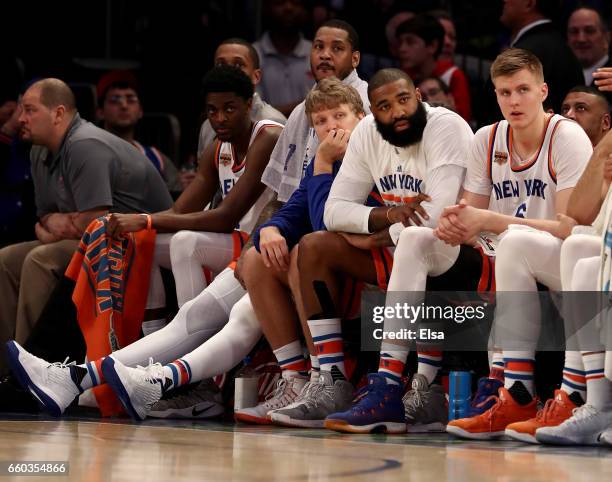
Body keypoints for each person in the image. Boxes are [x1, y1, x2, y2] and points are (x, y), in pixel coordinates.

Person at [5, 66, 283, 419]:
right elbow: (183, 208)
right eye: (212, 111)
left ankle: (182, 385)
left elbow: (227, 215)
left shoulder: (269, 136)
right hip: (238, 247)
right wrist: (141, 227)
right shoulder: (217, 147)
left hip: (257, 244)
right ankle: (88, 375)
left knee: (183, 246)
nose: (220, 118)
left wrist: (146, 219)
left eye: (230, 108)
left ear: (249, 104)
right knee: (142, 244)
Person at [269, 67, 472, 433]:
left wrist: (376, 230)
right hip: (397, 246)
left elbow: (435, 219)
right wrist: (387, 216)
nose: (397, 112)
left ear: (419, 98)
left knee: (415, 241)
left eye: (404, 100)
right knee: (313, 246)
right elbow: (332, 212)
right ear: (372, 112)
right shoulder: (366, 133)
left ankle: (419, 385)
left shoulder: (446, 126)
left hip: (460, 251)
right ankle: (331, 380)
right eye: (384, 105)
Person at [437, 49, 593, 441]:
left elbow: (571, 227)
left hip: (576, 258)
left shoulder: (566, 135)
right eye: (504, 92)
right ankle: (513, 393)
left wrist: (492, 222)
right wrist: (456, 225)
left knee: (515, 240)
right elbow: (473, 222)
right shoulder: (486, 139)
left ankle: (537, 392)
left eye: (523, 90)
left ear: (543, 91)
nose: (514, 100)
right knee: (441, 241)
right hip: (512, 255)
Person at [0, 78, 172, 376]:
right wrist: (54, 224)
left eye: (29, 110)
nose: (20, 119)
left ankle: (39, 369)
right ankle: (7, 367)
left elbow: (95, 223)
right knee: (4, 261)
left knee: (40, 260)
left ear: (58, 113)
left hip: (136, 240)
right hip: (92, 240)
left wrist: (55, 225)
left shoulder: (84, 145)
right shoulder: (39, 151)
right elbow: (42, 216)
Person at [234, 78, 368, 425]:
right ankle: (296, 379)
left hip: (373, 268)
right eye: (321, 122)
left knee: (306, 250)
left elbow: (327, 221)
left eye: (339, 116)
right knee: (257, 258)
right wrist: (270, 230)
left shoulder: (369, 154)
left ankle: (328, 377)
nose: (331, 127)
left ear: (361, 116)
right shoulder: (321, 162)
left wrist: (322, 162)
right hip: (331, 265)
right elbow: (294, 210)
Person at [197, 38, 286, 160]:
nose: (228, 71)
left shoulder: (273, 122)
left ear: (256, 76)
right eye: (221, 65)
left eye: (238, 65)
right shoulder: (207, 126)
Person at [96, 70, 181, 193]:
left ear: (140, 111)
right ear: (100, 112)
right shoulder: (88, 152)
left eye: (131, 100)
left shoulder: (157, 158)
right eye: (115, 100)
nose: (124, 106)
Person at [395, 14, 471, 122]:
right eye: (400, 42)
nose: (402, 49)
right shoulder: (402, 78)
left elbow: (464, 120)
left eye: (410, 42)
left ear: (432, 46)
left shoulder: (452, 75)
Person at [253, 0, 313, 117]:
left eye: (295, 2)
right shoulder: (251, 55)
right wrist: (308, 105)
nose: (288, 8)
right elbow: (253, 113)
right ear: (267, 9)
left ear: (305, 10)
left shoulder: (319, 54)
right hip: (264, 134)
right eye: (280, 2)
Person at [567, 7, 611, 90]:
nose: (581, 39)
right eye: (574, 31)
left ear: (606, 37)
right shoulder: (559, 78)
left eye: (589, 31)